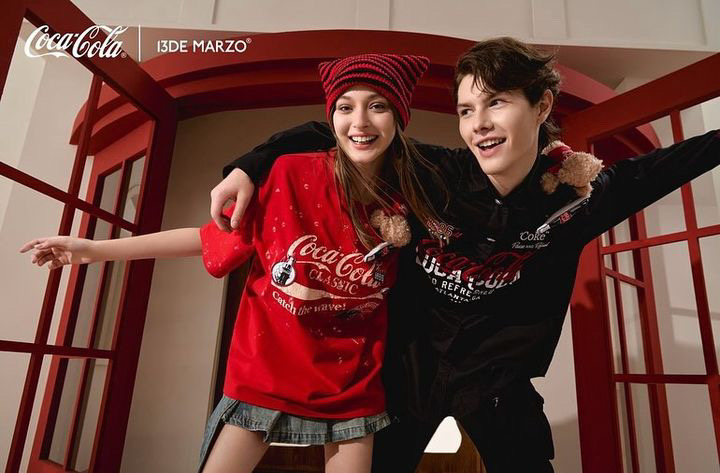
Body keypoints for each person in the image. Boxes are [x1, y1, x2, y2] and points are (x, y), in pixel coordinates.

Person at [208, 37, 720, 473]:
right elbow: (336, 133)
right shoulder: (434, 173)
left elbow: (670, 164)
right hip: (410, 369)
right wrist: (247, 167)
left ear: (542, 106)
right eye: (467, 110)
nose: (480, 124)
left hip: (498, 380)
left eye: (496, 103)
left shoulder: (578, 198)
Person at [19, 53, 450, 473]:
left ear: (399, 116)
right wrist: (95, 249)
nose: (360, 122)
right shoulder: (289, 174)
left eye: (378, 106)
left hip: (353, 386)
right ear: (331, 117)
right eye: (345, 107)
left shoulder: (412, 200)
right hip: (266, 376)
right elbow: (206, 239)